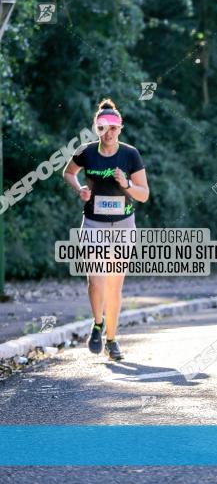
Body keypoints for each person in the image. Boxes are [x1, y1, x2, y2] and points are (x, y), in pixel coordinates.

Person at [62, 99, 149, 361]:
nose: (107, 133)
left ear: (120, 129)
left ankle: (111, 339)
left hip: (123, 225)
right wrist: (80, 189)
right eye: (102, 127)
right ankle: (97, 324)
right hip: (94, 223)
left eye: (112, 128)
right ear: (95, 128)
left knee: (114, 285)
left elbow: (143, 195)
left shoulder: (130, 154)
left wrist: (126, 184)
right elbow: (68, 173)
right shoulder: (86, 152)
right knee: (95, 280)